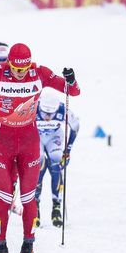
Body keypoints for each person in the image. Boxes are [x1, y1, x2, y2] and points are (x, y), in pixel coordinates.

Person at [0, 42, 81, 253]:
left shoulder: (40, 73)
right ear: (9, 64)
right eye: (16, 69)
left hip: (29, 142)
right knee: (3, 199)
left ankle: (28, 247)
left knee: (29, 199)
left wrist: (71, 79)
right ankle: (0, 248)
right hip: (2, 142)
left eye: (23, 70)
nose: (19, 73)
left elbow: (72, 91)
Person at [35, 94, 79, 227]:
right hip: (37, 136)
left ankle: (56, 207)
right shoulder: (33, 106)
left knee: (56, 165)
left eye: (51, 114)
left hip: (55, 136)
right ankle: (34, 207)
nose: (47, 117)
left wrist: (68, 150)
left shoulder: (62, 109)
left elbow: (75, 126)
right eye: (44, 113)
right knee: (38, 166)